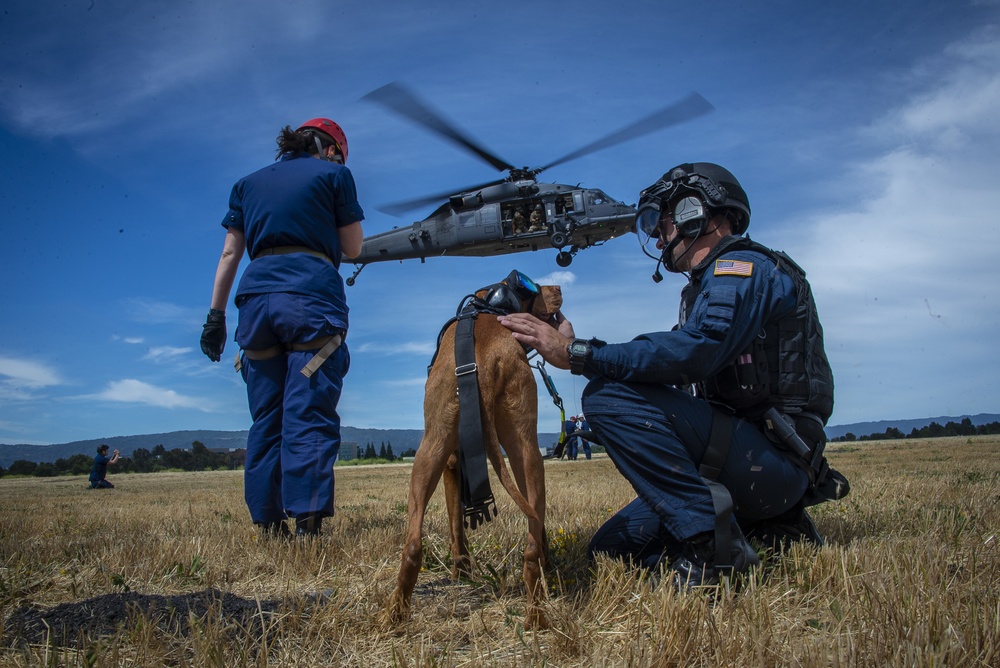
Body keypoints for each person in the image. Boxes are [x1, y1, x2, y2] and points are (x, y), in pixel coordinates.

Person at [498, 162, 845, 588]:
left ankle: (712, 550)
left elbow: (693, 351)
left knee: (605, 397)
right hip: (743, 464)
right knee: (611, 551)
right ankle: (770, 529)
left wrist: (576, 354)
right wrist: (572, 343)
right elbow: (667, 368)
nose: (658, 238)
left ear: (692, 212)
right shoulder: (705, 289)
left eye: (657, 223)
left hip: (771, 462)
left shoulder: (743, 269)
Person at [200, 117, 365, 538]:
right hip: (310, 300)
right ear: (331, 150)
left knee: (266, 417)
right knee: (308, 410)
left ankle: (269, 523)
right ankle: (308, 522)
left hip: (254, 303)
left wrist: (215, 318)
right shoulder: (335, 176)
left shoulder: (246, 184)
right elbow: (353, 247)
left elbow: (229, 255)